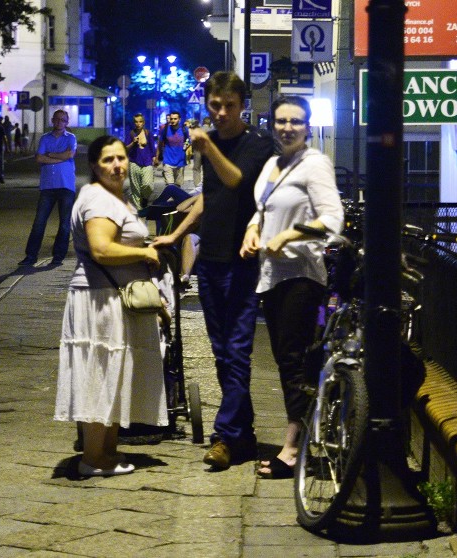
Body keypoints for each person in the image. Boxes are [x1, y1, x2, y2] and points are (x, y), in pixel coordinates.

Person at [153, 71, 274, 470]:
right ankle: (245, 435)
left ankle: (225, 436)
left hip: (243, 262)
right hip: (212, 260)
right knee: (222, 353)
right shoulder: (213, 142)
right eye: (215, 106)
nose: (221, 113)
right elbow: (210, 196)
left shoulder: (257, 143)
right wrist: (178, 233)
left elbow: (236, 181)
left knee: (238, 351)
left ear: (242, 105)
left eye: (229, 106)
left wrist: (208, 146)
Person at [239, 96, 343, 479]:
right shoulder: (273, 163)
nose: (287, 127)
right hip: (271, 275)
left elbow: (333, 218)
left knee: (294, 361)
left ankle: (294, 447)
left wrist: (288, 235)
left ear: (308, 125)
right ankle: (300, 440)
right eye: (281, 121)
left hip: (301, 274)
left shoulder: (315, 164)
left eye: (295, 121)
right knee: (288, 362)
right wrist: (253, 230)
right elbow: (262, 208)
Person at [54, 135, 167, 477]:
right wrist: (144, 252)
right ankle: (92, 458)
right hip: (99, 298)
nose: (117, 165)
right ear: (93, 165)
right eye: (108, 160)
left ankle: (105, 453)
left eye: (121, 158)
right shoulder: (98, 199)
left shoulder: (113, 197)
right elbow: (101, 249)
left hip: (111, 296)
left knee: (114, 373)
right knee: (100, 373)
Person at [18, 110, 77, 266]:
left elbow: (70, 155)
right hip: (48, 186)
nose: (59, 122)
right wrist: (60, 156)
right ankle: (31, 256)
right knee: (39, 222)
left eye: (62, 120)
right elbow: (38, 158)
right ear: (52, 120)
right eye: (56, 119)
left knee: (64, 224)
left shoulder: (71, 138)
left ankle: (58, 256)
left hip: (66, 186)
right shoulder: (45, 138)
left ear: (67, 122)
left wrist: (49, 155)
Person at [124, 113, 156, 210]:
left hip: (147, 162)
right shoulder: (131, 134)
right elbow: (125, 149)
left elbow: (152, 148)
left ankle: (145, 197)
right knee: (135, 188)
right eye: (136, 122)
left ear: (143, 122)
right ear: (134, 123)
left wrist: (154, 158)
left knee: (148, 185)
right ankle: (139, 209)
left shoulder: (148, 133)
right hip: (134, 162)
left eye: (140, 121)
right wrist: (133, 143)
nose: (138, 124)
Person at [154, 111, 190, 194]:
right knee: (170, 186)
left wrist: (187, 144)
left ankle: (176, 204)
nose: (172, 120)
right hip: (168, 161)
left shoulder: (184, 129)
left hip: (180, 161)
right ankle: (171, 204)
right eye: (171, 119)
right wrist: (157, 158)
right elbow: (160, 144)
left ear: (179, 119)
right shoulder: (165, 130)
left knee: (177, 186)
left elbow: (188, 140)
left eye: (175, 119)